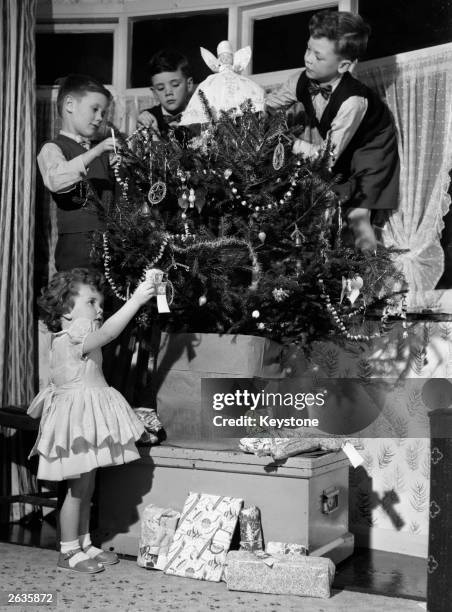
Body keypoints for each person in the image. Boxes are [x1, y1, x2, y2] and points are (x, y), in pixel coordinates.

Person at [27, 268, 155, 574]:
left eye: (100, 305)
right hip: (76, 423)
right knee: (77, 487)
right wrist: (136, 299)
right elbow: (110, 332)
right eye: (91, 303)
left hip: (86, 419)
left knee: (87, 485)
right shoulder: (71, 336)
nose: (99, 310)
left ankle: (83, 543)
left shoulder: (81, 335)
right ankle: (68, 550)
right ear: (66, 309)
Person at [265, 10, 400, 253]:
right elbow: (269, 105)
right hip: (341, 142)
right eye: (307, 49)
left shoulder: (353, 102)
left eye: (317, 56)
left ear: (344, 65)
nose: (308, 59)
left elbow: (326, 157)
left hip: (373, 144)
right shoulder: (300, 80)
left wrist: (290, 142)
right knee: (326, 205)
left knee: (358, 216)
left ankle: (372, 282)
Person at [38, 74, 116, 271]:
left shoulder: (101, 153)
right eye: (95, 109)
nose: (100, 118)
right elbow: (56, 180)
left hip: (109, 251)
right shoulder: (53, 148)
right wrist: (96, 152)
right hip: (76, 253)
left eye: (103, 112)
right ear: (70, 105)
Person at [179, 40, 264, 125]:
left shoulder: (236, 71)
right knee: (212, 94)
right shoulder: (214, 77)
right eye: (223, 57)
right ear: (219, 59)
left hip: (235, 80)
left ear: (233, 58)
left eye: (228, 57)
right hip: (219, 82)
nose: (225, 59)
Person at [137, 49, 194, 136]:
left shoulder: (202, 114)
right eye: (160, 88)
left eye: (175, 85)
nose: (168, 92)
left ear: (189, 84)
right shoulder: (148, 118)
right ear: (154, 93)